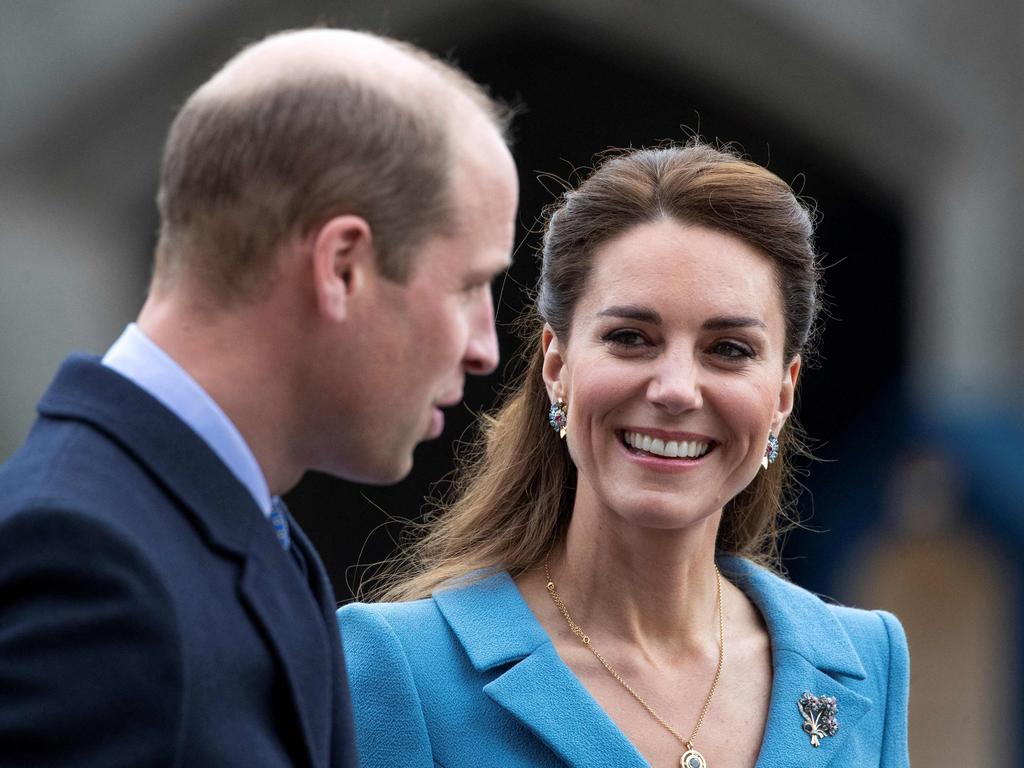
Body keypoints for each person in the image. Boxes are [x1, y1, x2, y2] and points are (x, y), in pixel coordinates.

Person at [0, 28, 517, 767]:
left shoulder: (244, 525)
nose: (484, 346)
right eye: (469, 286)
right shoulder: (84, 564)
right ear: (343, 266)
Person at [338, 142, 910, 767]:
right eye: (630, 338)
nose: (674, 389)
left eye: (729, 349)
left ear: (781, 394)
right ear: (557, 368)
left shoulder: (864, 663)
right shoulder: (401, 666)